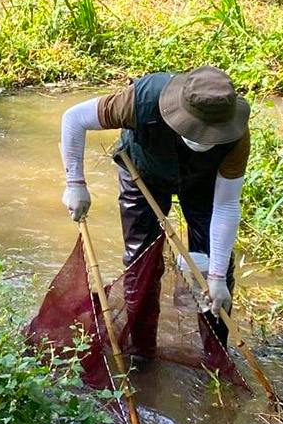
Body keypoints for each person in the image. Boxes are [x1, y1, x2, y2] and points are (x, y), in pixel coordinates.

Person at [58, 66, 249, 361]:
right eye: (197, 130)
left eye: (212, 134)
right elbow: (74, 119)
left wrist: (216, 277)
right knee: (141, 262)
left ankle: (216, 360)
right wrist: (75, 184)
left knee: (214, 269)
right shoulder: (142, 100)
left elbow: (226, 205)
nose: (204, 138)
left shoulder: (235, 134)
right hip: (143, 172)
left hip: (203, 183)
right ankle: (141, 353)